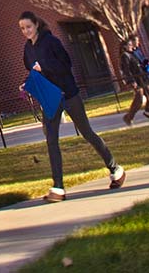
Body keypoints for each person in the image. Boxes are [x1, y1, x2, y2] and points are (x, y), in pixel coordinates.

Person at [19, 11, 125, 202]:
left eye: (28, 27)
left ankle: (115, 169)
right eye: (22, 28)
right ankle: (58, 188)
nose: (26, 31)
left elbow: (66, 65)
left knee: (87, 133)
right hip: (51, 98)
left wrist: (44, 66)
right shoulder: (28, 49)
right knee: (51, 140)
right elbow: (33, 72)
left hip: (68, 94)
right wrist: (28, 83)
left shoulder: (51, 42)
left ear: (36, 25)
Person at [120, 37, 149, 125]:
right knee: (139, 101)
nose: (131, 46)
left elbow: (140, 62)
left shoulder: (133, 53)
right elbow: (126, 70)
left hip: (143, 78)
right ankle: (129, 117)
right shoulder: (125, 56)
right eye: (129, 45)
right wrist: (131, 81)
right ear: (125, 47)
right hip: (137, 80)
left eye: (131, 44)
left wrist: (146, 62)